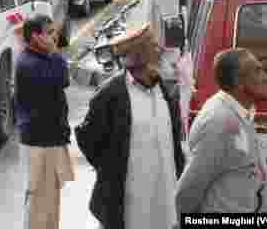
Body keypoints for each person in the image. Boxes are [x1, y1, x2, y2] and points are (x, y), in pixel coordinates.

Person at [74, 24, 184, 229]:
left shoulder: (163, 88)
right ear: (138, 55)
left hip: (164, 196)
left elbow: (174, 139)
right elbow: (87, 138)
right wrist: (111, 169)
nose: (159, 48)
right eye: (152, 44)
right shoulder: (110, 94)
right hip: (128, 200)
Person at [176, 48, 267, 214]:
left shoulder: (240, 112)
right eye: (257, 71)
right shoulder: (217, 121)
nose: (266, 78)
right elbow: (188, 191)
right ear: (238, 82)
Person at [15, 15, 74, 229]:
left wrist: (52, 50)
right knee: (39, 204)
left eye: (54, 32)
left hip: (50, 139)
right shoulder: (30, 63)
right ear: (34, 37)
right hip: (40, 142)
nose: (54, 37)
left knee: (50, 201)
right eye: (49, 33)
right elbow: (63, 78)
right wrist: (55, 53)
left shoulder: (40, 58)